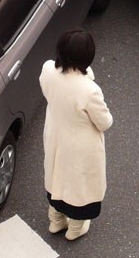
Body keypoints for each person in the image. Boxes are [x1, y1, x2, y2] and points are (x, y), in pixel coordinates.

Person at [39, 29, 113, 241]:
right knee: (79, 186)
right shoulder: (90, 90)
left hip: (55, 134)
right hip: (80, 146)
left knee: (55, 176)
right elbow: (105, 122)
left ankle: (56, 220)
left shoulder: (47, 70)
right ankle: (75, 228)